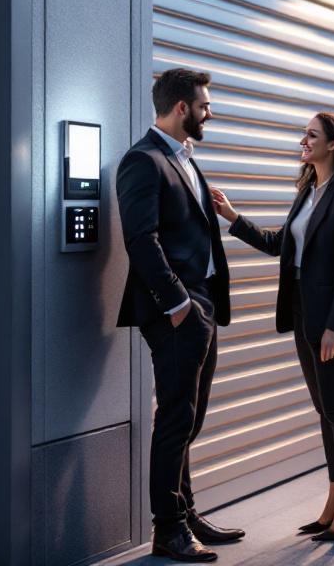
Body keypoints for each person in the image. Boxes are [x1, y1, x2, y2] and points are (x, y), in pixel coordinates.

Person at [210, 112, 334, 542]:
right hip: (303, 311)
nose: (304, 140)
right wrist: (232, 217)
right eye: (305, 134)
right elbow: (281, 245)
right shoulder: (308, 192)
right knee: (324, 410)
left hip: (332, 318)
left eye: (312, 134)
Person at [116, 68, 245, 562]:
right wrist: (178, 305)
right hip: (176, 307)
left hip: (201, 302)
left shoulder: (185, 159)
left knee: (190, 416)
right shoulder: (142, 160)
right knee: (174, 417)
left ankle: (185, 511)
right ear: (180, 108)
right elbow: (140, 239)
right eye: (204, 105)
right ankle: (168, 529)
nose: (210, 111)